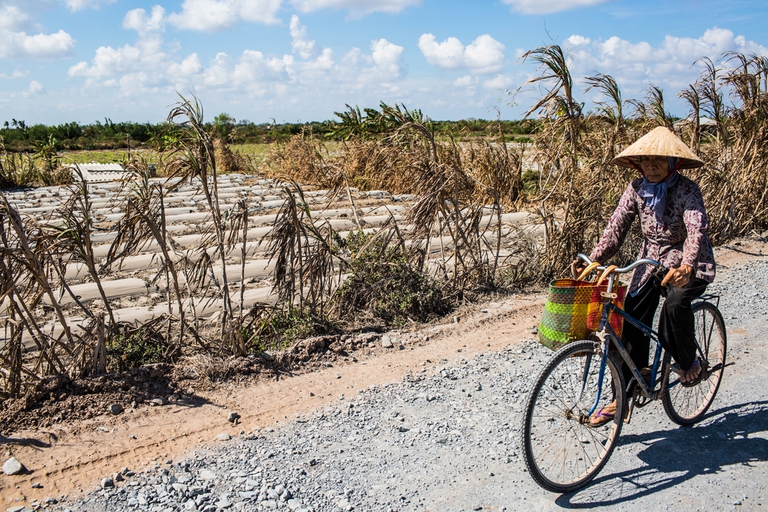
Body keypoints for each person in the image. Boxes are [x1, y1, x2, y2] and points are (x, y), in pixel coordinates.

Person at [572, 126, 716, 427]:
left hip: (685, 261)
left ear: (673, 163)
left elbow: (696, 230)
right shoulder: (636, 189)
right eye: (645, 160)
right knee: (628, 320)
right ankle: (622, 396)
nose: (651, 166)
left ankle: (689, 361)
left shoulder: (688, 190)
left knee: (675, 306)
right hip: (649, 261)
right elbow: (615, 229)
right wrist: (594, 258)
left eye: (658, 160)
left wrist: (687, 265)